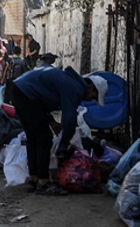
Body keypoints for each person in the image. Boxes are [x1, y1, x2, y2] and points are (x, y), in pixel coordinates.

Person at [10, 66, 106, 195]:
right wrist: (65, 141)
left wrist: (51, 122)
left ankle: (33, 180)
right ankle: (43, 182)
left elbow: (42, 101)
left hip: (18, 89)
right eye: (93, 97)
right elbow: (69, 118)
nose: (90, 100)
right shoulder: (75, 88)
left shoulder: (70, 82)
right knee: (44, 138)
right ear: (91, 87)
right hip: (26, 93)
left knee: (33, 137)